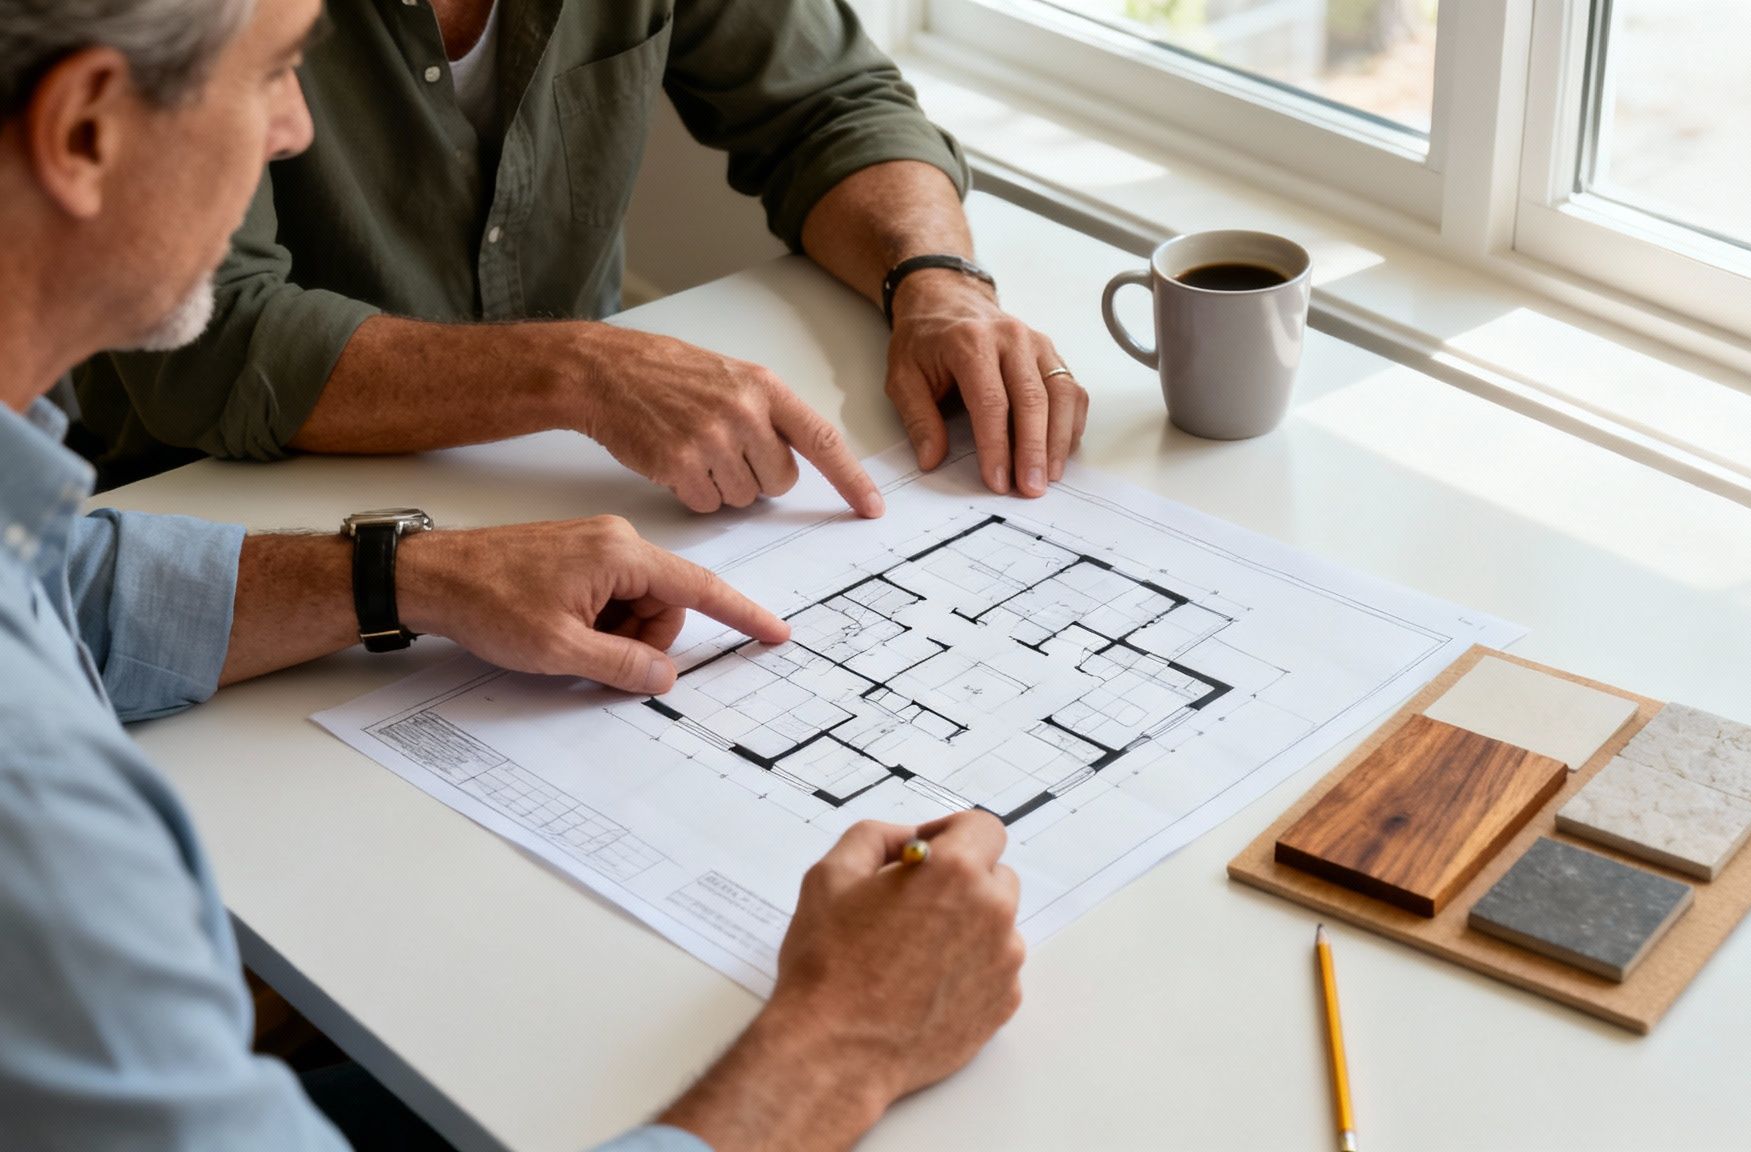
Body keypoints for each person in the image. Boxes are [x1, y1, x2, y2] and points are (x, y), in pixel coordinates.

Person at [0, 2, 1026, 1149]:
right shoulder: (37, 813)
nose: (290, 130)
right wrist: (846, 1044)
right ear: (85, 130)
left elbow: (53, 583)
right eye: (275, 73)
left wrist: (401, 576)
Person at [65, 0, 1088, 506]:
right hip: (227, 506)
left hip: (570, 489)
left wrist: (934, 282)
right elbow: (206, 340)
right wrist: (581, 373)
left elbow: (830, 104)